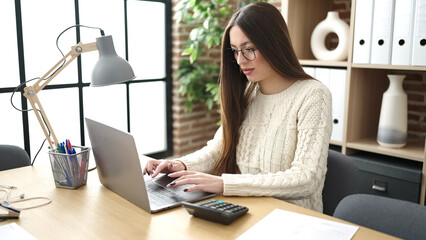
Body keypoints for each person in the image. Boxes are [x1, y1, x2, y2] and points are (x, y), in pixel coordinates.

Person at [144, 2, 332, 212]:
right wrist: (180, 165)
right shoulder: (247, 92)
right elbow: (218, 149)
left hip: (295, 219)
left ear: (274, 44)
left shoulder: (313, 95)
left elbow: (306, 179)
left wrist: (225, 184)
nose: (241, 61)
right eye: (235, 51)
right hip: (246, 209)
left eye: (249, 49)